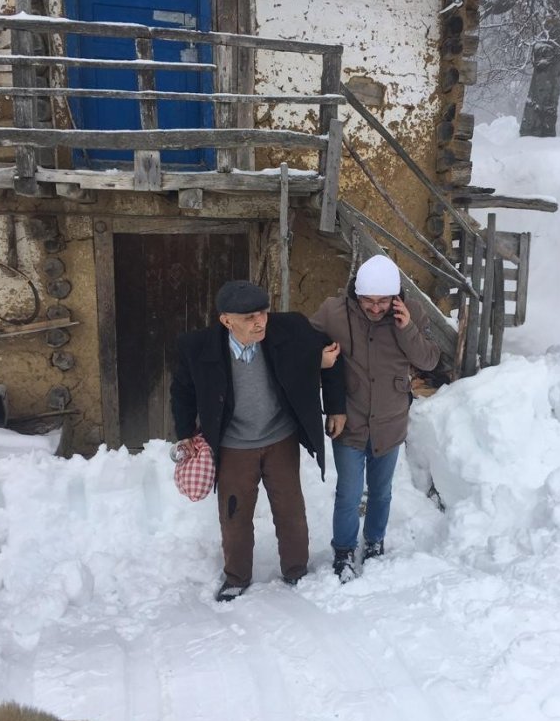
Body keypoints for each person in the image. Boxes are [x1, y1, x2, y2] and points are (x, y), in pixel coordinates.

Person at [171, 280, 346, 602]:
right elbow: (182, 391)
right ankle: (236, 577)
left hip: (280, 438)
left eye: (263, 313)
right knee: (235, 515)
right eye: (250, 317)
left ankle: (296, 571)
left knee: (290, 510)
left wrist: (335, 407)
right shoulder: (198, 347)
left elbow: (331, 355)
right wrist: (185, 435)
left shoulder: (289, 328)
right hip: (234, 445)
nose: (260, 322)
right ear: (227, 320)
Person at [310, 255, 440, 581]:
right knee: (349, 493)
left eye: (383, 301)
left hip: (390, 419)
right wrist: (318, 358)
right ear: (357, 293)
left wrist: (407, 327)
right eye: (369, 300)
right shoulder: (333, 311)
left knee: (380, 492)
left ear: (395, 297)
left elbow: (429, 360)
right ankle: (343, 551)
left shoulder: (412, 312)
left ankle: (374, 543)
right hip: (349, 420)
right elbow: (304, 344)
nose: (376, 307)